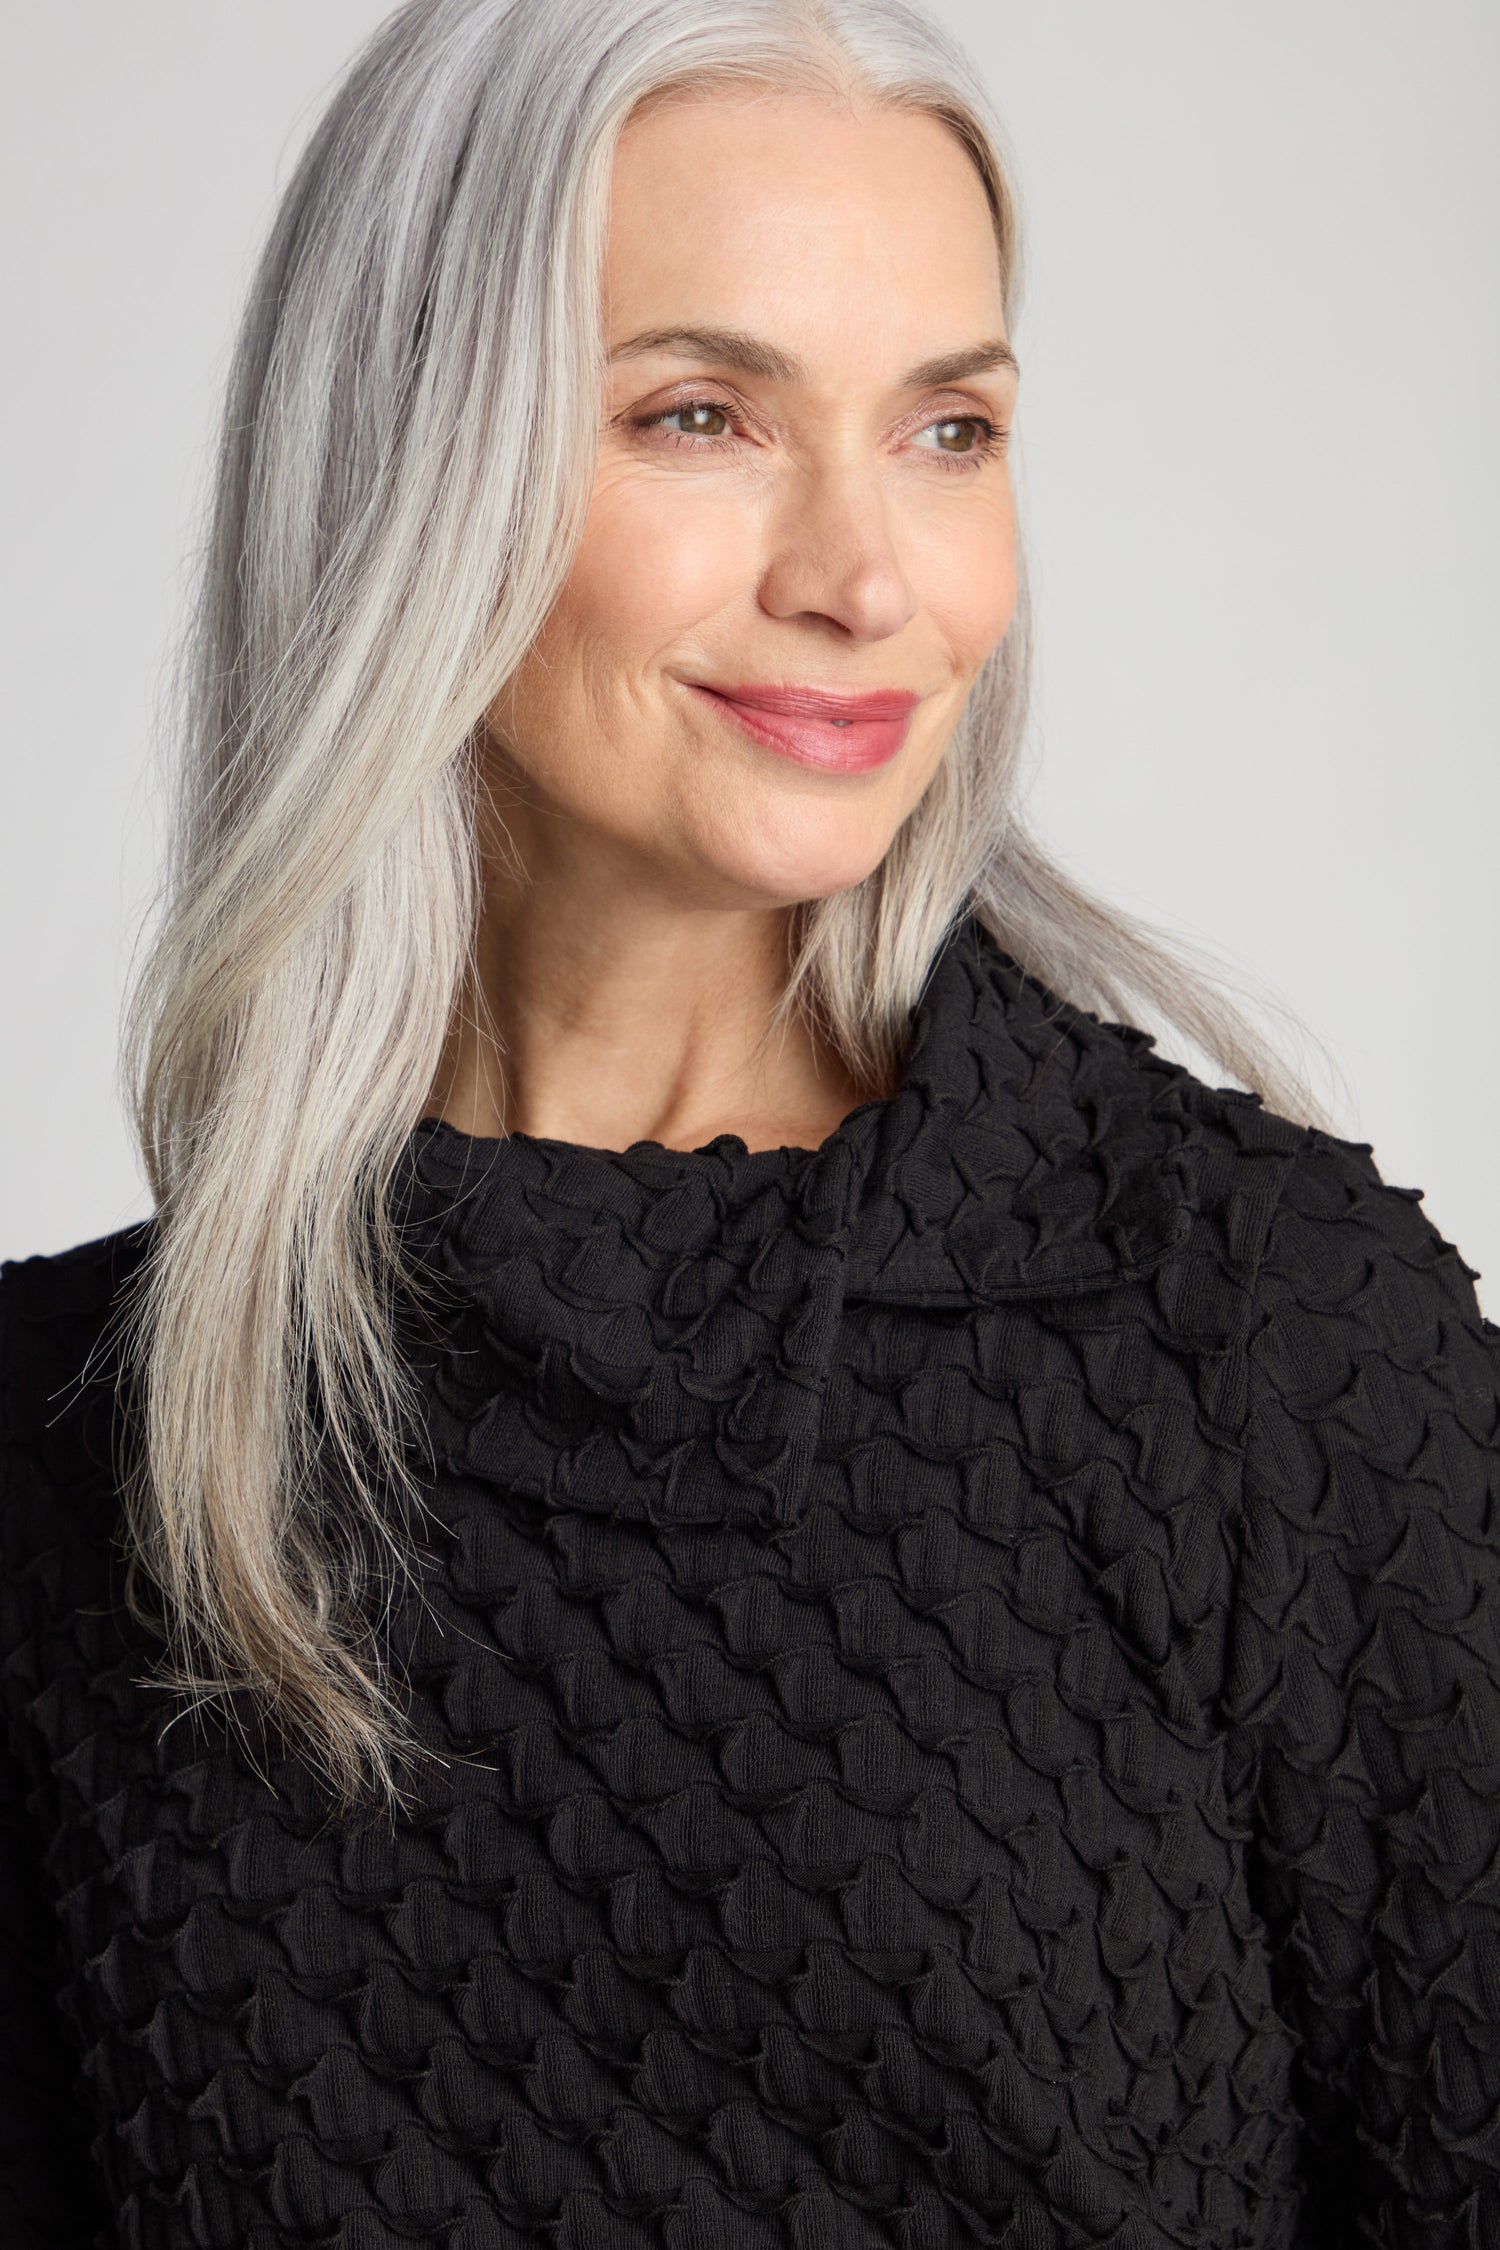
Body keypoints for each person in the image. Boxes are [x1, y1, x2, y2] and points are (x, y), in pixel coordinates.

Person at [3, 0, 1497, 2242]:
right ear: (413, 465)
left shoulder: (1259, 1349)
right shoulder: (62, 1466)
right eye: (701, 415)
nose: (870, 579)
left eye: (948, 431)